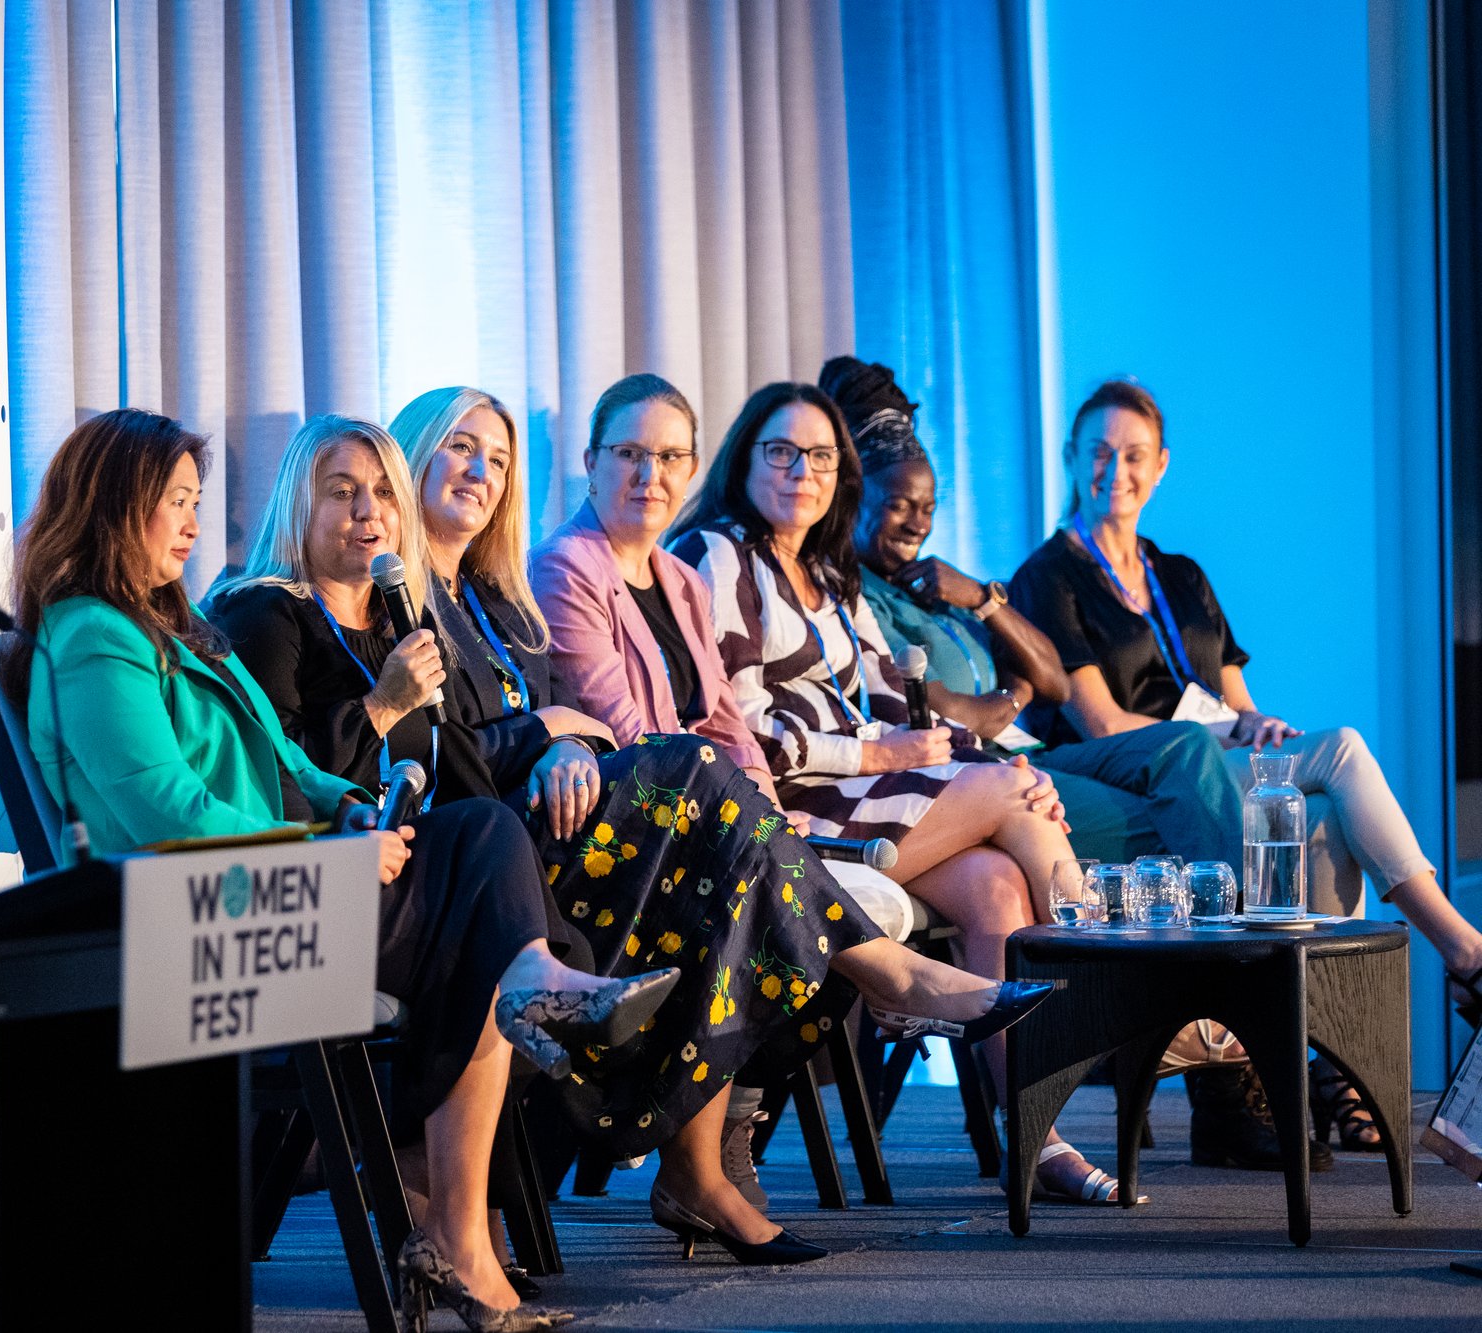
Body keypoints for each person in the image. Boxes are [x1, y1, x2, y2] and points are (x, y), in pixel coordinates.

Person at [211, 406, 1050, 1263]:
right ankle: (874, 977)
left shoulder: (436, 610)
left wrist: (553, 738)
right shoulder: (272, 616)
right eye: (343, 492)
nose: (368, 510)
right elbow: (288, 776)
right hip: (433, 877)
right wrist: (529, 734)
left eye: (378, 491)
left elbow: (463, 756)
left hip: (483, 852)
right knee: (692, 782)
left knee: (720, 839)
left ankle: (705, 1160)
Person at [13, 408, 701, 1330]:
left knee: (480, 835)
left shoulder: (170, 624)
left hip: (264, 893)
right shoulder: (97, 634)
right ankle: (456, 1218)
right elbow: (161, 808)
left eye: (194, 501)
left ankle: (465, 1196)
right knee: (488, 903)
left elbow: (285, 759)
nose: (189, 522)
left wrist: (342, 805)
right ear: (114, 504)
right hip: (200, 922)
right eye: (173, 502)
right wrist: (322, 850)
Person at [635, 374, 1131, 1205]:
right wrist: (885, 759)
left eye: (821, 456)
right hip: (790, 806)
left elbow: (902, 712)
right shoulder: (719, 556)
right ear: (744, 459)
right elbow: (742, 735)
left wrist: (998, 756)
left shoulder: (830, 577)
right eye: (782, 451)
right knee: (1009, 793)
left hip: (875, 798)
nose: (803, 471)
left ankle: (1033, 1132)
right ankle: (1122, 986)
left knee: (997, 886)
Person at [1011, 377, 1482, 1153]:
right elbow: (1098, 718)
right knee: (1337, 751)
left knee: (1324, 813)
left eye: (1132, 455)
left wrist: (1256, 725)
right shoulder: (1049, 575)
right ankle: (1456, 955)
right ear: (1071, 458)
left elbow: (1237, 699)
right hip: (1122, 766)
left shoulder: (1183, 577)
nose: (1114, 470)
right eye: (1097, 452)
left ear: (1160, 465)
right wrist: (1226, 734)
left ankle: (1321, 1049)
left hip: (1213, 756)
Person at [821, 357, 1248, 875]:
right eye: (899, 505)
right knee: (1174, 801)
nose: (918, 525)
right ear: (855, 500)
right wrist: (1014, 694)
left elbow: (1053, 681)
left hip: (1027, 756)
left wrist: (981, 597)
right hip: (981, 772)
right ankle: (1237, 942)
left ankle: (1245, 938)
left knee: (1195, 756)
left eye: (929, 508)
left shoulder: (934, 589)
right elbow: (957, 714)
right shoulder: (858, 601)